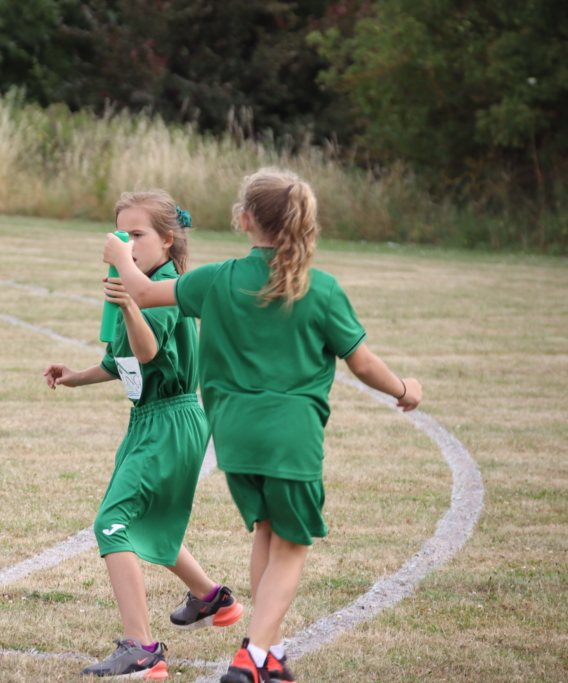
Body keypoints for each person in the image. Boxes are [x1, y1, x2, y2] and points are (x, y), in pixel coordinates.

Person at [103, 169, 423, 683]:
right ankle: (253, 656)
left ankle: (268, 652)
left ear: (244, 219)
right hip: (289, 437)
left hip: (233, 438)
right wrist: (406, 390)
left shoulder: (218, 278)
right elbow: (363, 364)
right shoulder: (320, 289)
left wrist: (121, 256)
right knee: (292, 547)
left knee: (268, 534)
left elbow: (140, 292)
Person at [44, 190, 244, 680]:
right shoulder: (139, 286)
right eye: (120, 234)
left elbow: (150, 350)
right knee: (146, 518)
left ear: (167, 240)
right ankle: (212, 598)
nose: (125, 243)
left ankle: (141, 648)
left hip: (171, 421)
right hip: (153, 420)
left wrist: (129, 301)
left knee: (113, 525)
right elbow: (124, 363)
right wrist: (77, 375)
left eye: (136, 235)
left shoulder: (166, 287)